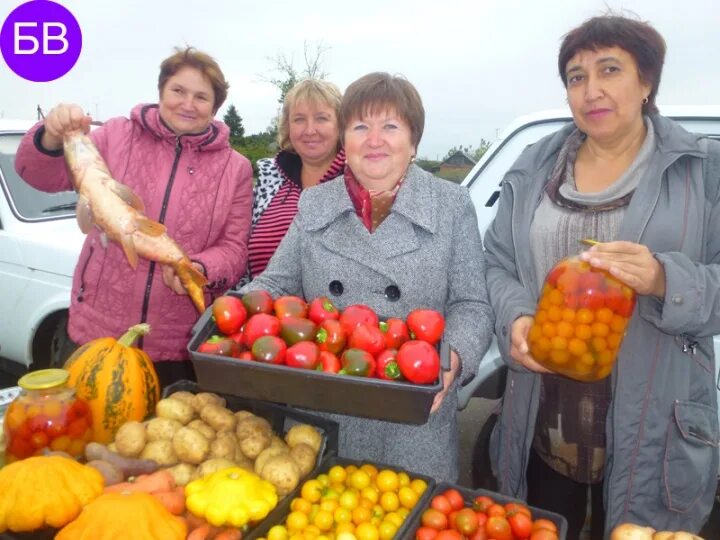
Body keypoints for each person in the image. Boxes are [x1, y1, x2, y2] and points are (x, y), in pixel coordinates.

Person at [483, 15, 720, 538]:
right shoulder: (533, 165)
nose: (591, 89)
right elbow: (496, 261)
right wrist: (516, 318)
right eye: (575, 76)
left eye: (609, 69)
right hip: (544, 422)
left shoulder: (703, 169)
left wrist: (664, 279)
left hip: (654, 432)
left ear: (647, 81)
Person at [240, 72, 494, 481]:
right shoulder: (315, 202)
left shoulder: (450, 204)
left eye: (390, 126)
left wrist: (452, 362)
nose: (374, 140)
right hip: (323, 410)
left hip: (414, 416)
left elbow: (471, 305)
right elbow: (276, 284)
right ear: (345, 139)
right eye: (361, 126)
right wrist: (235, 306)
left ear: (413, 142)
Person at [15, 47, 253, 389]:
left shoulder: (236, 169)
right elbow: (41, 176)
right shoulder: (115, 135)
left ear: (215, 108)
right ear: (160, 92)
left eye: (201, 97)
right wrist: (50, 136)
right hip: (97, 334)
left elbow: (233, 249)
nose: (188, 103)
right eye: (178, 91)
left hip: (177, 346)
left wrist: (200, 268)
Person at [242, 79, 344, 284]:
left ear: (341, 125)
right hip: (262, 309)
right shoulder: (269, 179)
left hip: (332, 313)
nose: (309, 130)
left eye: (321, 118)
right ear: (287, 126)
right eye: (299, 119)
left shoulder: (357, 182)